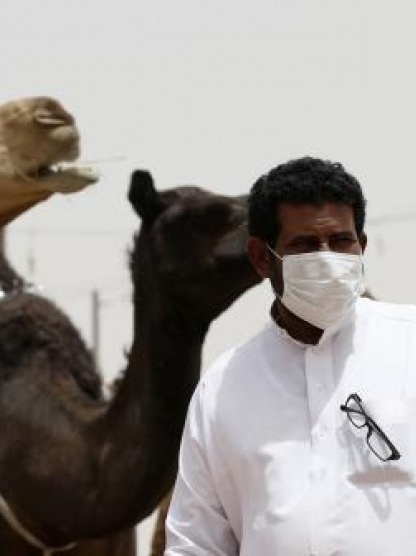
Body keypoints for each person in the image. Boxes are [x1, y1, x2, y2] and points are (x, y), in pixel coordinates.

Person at [165, 157, 416, 555]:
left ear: (361, 245)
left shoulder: (409, 346)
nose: (327, 258)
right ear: (262, 258)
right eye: (304, 246)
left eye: (340, 241)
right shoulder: (224, 388)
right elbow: (196, 542)